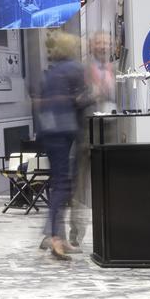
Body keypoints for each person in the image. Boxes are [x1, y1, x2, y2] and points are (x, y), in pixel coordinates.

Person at [34, 31, 90, 260]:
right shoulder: (75, 69)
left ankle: (57, 236)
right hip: (64, 131)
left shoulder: (51, 73)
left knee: (60, 184)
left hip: (49, 132)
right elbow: (82, 99)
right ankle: (55, 237)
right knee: (63, 186)